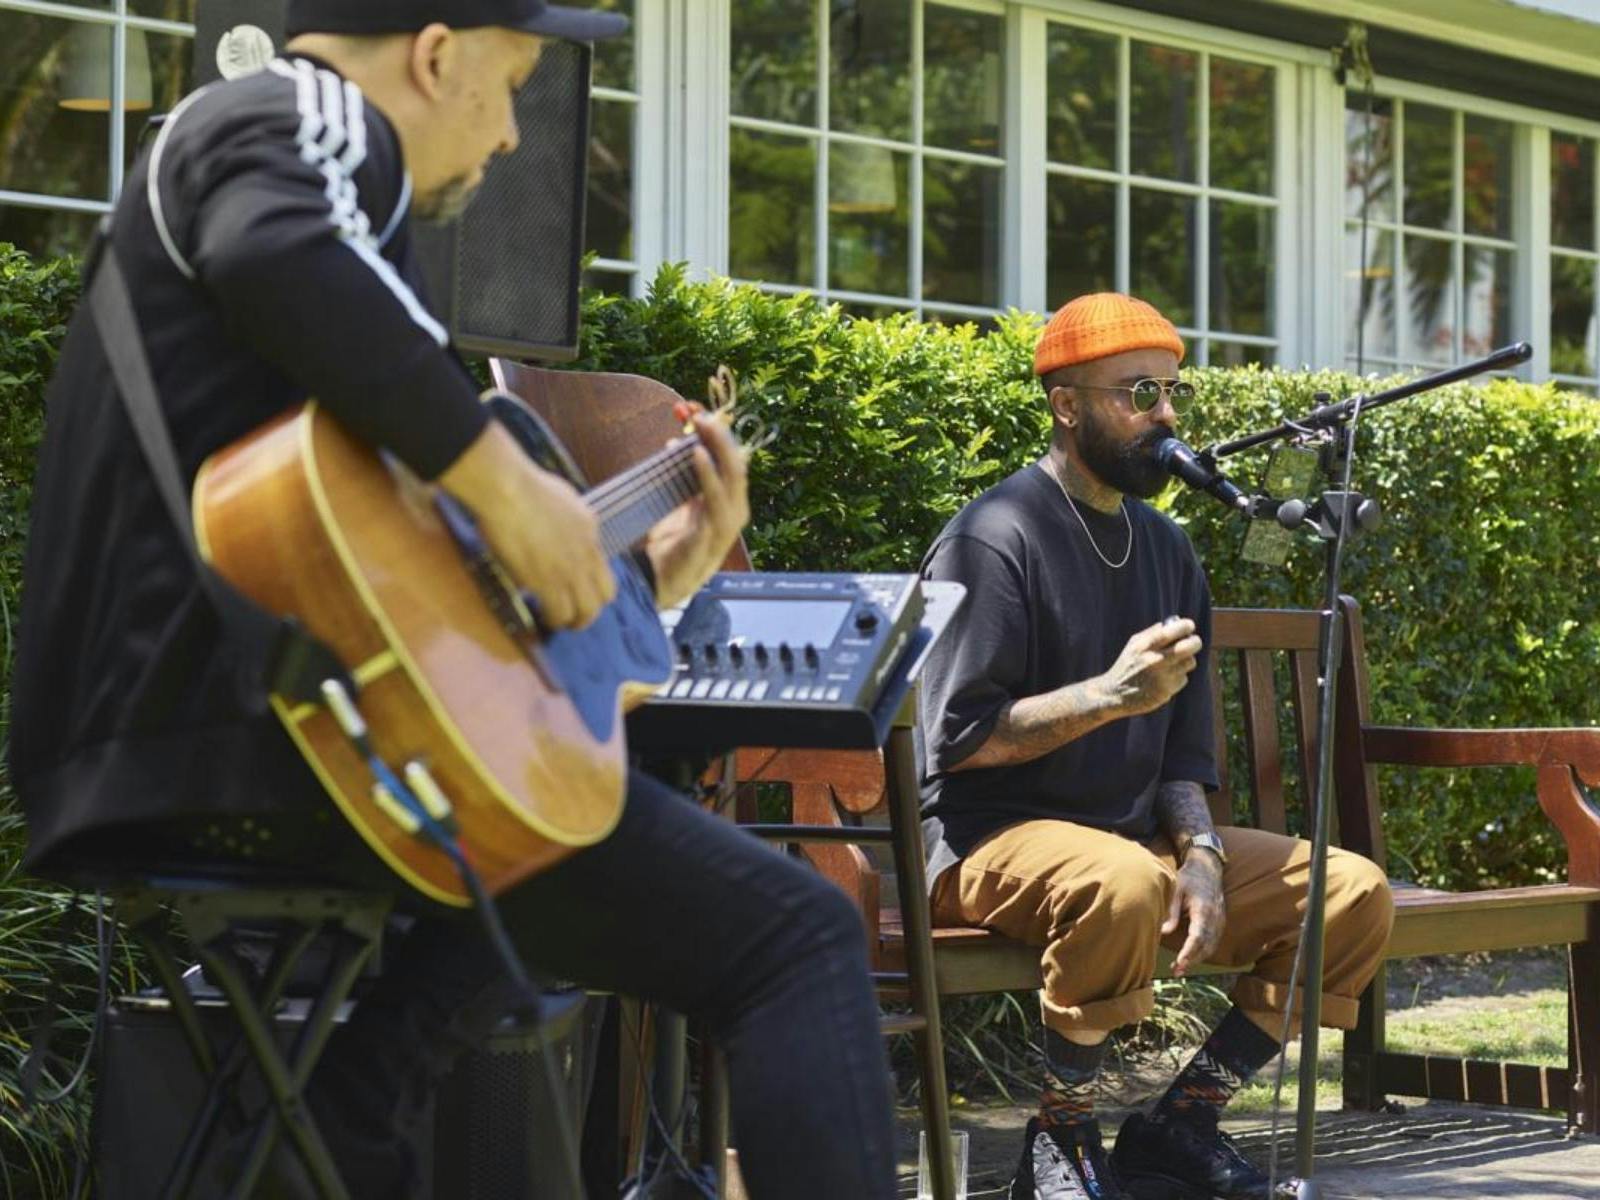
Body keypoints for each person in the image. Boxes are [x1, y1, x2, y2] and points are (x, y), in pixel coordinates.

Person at [8, 2, 896, 1196]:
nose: (519, 135)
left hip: (200, 739)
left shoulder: (328, 247)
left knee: (448, 969)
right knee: (798, 937)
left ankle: (332, 1139)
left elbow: (418, 598)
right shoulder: (300, 112)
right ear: (434, 53)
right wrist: (503, 487)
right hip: (262, 737)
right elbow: (272, 249)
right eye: (516, 77)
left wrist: (669, 564)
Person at [916, 293, 1395, 1200]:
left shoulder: (1168, 548)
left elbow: (1183, 752)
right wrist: (1103, 697)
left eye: (1171, 392)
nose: (1165, 415)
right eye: (1141, 393)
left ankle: (1179, 1123)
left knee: (1349, 891)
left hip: (1127, 841)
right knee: (1123, 881)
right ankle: (1059, 1139)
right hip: (987, 840)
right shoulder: (993, 536)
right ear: (1067, 404)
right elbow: (958, 741)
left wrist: (1206, 856)